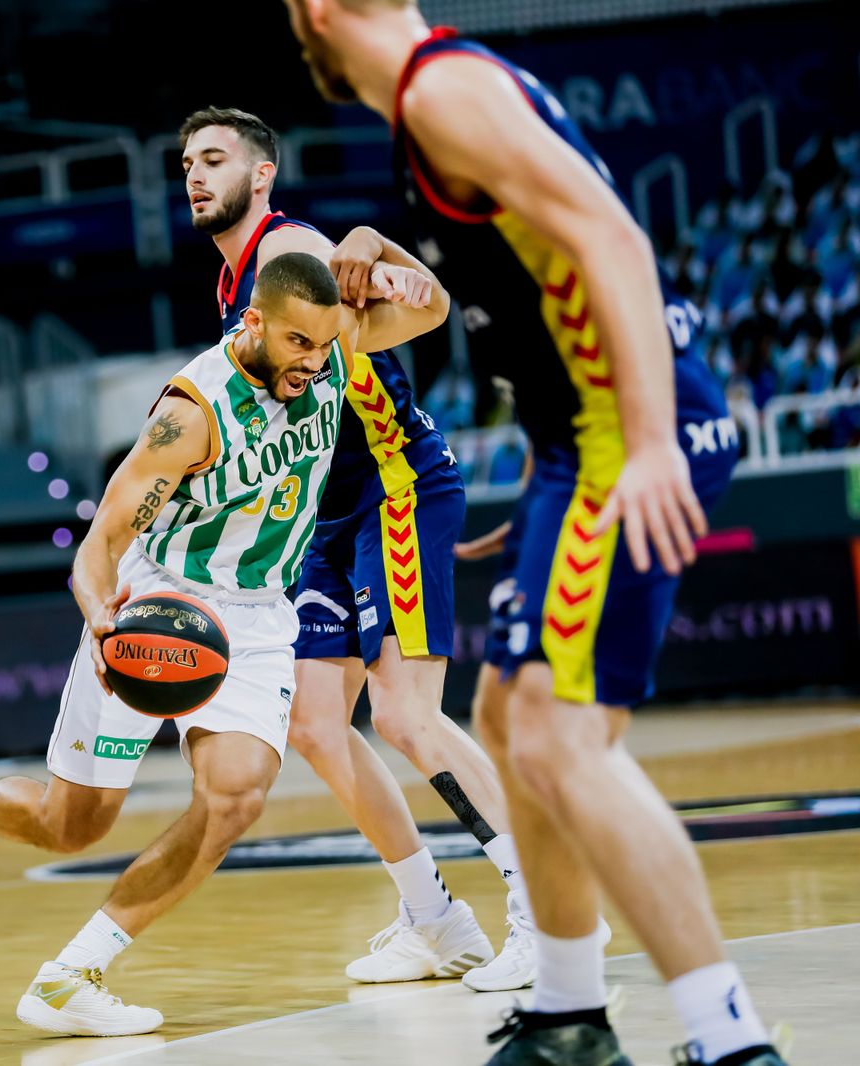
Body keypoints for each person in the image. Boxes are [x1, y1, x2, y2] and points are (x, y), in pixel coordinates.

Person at [282, 3, 779, 1065]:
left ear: (318, 11)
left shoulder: (440, 91)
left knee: (555, 734)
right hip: (575, 449)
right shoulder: (431, 107)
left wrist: (647, 441)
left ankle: (730, 1038)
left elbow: (615, 238)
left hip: (619, 438)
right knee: (507, 720)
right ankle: (567, 1015)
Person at [0, 250, 447, 1035]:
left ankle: (70, 977)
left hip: (257, 615)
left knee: (237, 795)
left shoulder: (329, 351)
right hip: (160, 604)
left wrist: (377, 251)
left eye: (325, 346)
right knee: (72, 825)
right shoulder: (191, 414)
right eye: (297, 344)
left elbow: (434, 309)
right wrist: (99, 611)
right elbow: (102, 539)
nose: (313, 363)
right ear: (253, 322)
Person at [180, 105, 543, 990]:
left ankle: (549, 908)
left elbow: (427, 305)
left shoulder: (288, 250)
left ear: (261, 174)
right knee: (314, 725)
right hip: (328, 514)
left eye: (215, 159)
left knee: (407, 715)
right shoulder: (233, 283)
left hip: (396, 486)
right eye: (187, 162)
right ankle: (435, 920)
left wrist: (375, 245)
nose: (194, 174)